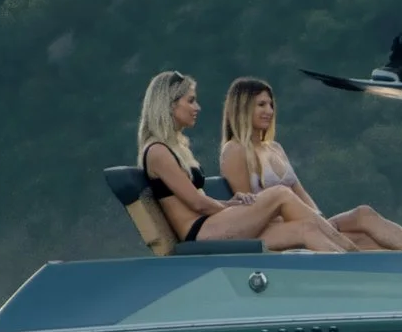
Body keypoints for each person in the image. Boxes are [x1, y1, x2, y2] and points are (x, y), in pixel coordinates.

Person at [136, 70, 353, 252]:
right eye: (191, 101)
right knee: (279, 193)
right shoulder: (157, 152)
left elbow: (198, 202)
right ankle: (355, 257)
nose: (197, 107)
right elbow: (197, 203)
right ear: (169, 105)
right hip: (201, 232)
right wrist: (237, 209)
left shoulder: (174, 149)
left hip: (211, 225)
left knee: (306, 228)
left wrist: (237, 207)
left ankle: (354, 262)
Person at [218, 77, 402, 251]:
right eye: (261, 105)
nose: (269, 111)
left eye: (271, 104)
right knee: (365, 242)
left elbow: (300, 193)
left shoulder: (275, 148)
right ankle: (380, 267)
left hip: (309, 220)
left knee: (363, 215)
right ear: (243, 108)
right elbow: (250, 213)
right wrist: (312, 226)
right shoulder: (235, 151)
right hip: (275, 230)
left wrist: (321, 221)